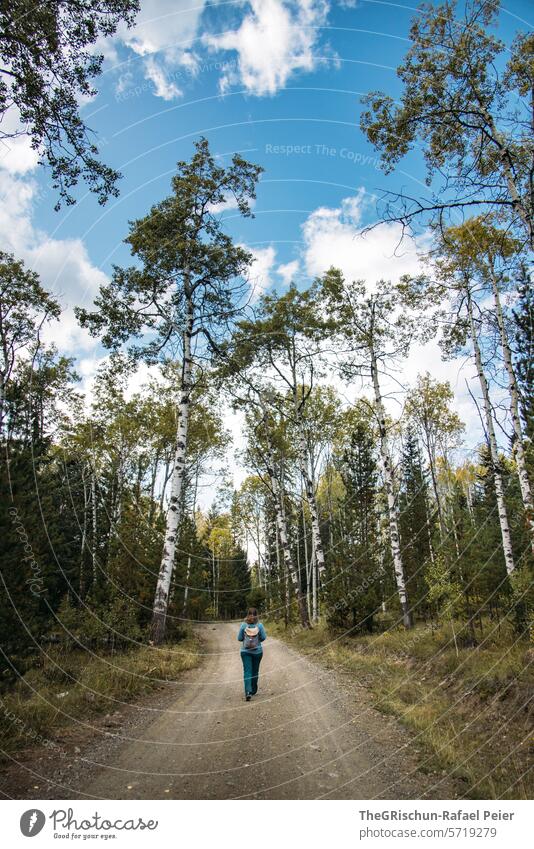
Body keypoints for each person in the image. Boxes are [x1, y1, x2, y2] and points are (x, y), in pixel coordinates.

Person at [237, 607, 266, 701]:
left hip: (245, 652)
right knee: (255, 671)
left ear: (247, 614)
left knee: (247, 671)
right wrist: (257, 640)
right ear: (257, 614)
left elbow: (239, 638)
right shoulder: (260, 625)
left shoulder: (243, 625)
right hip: (257, 652)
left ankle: (248, 692)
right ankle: (253, 690)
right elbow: (263, 637)